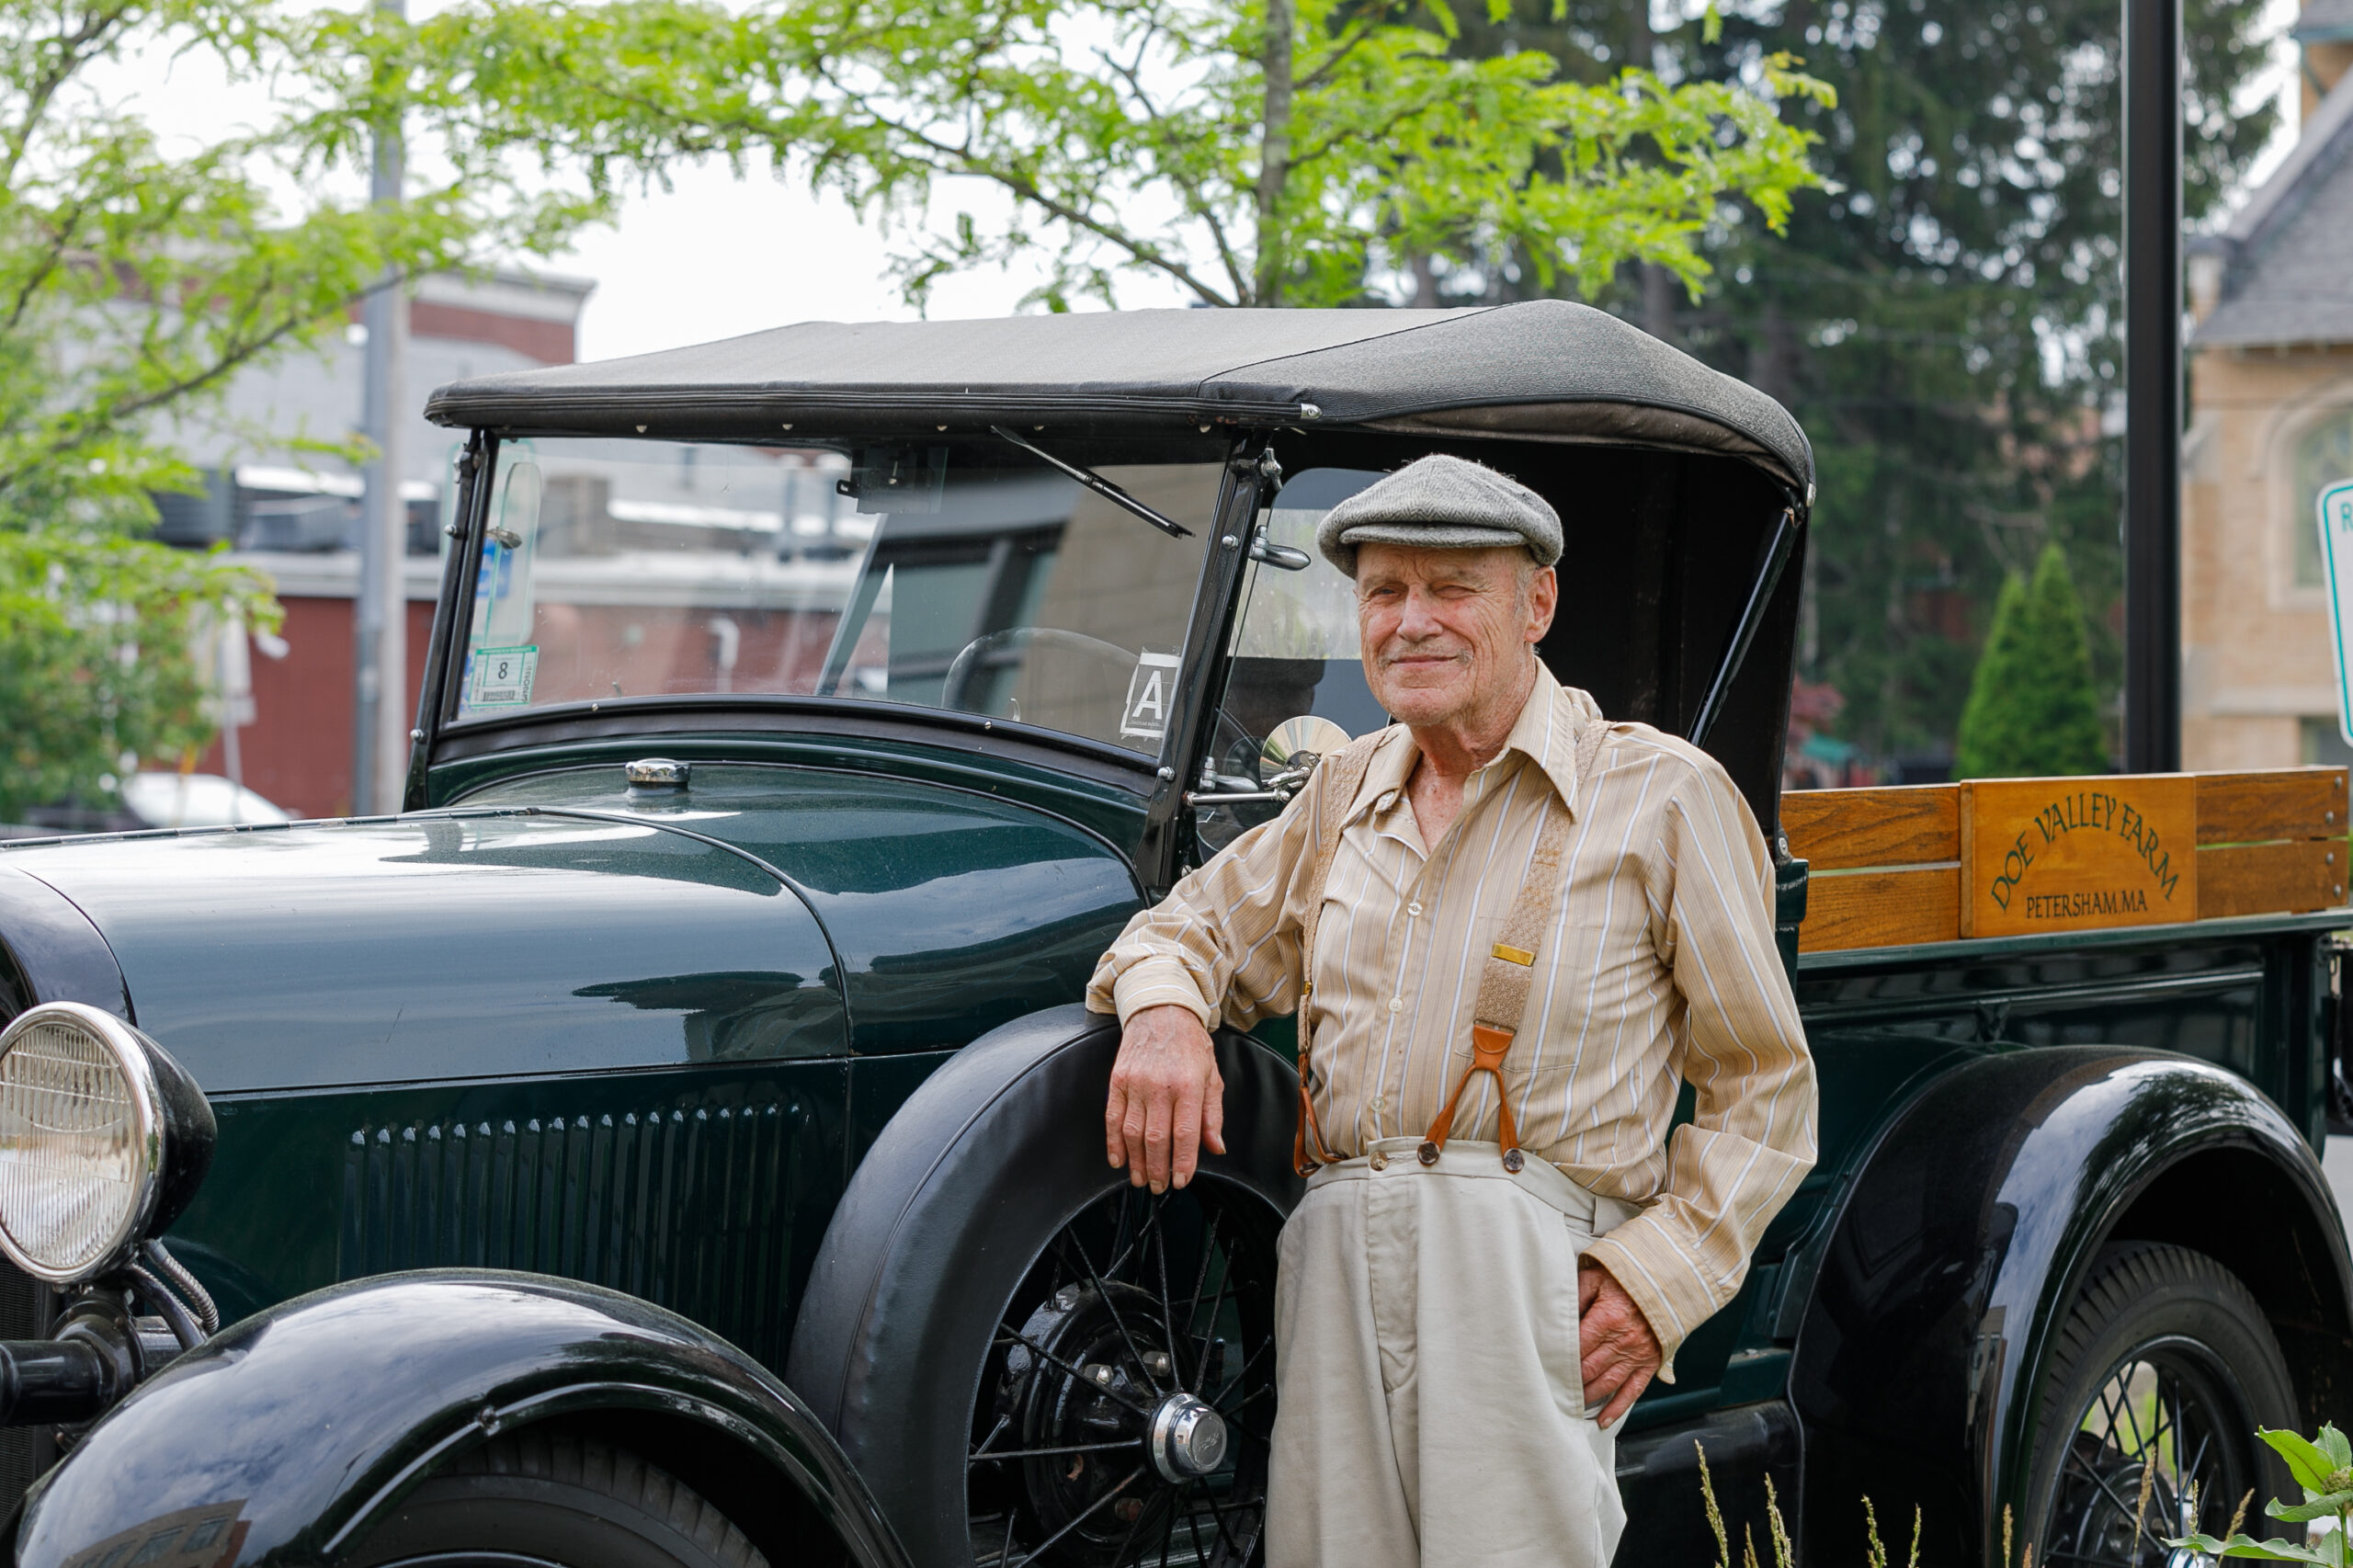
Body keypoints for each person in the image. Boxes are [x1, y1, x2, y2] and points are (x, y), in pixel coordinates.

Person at [1085, 453, 1818, 1568]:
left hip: (1524, 1272)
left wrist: (1654, 1280)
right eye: (1383, 592)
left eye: (1449, 588)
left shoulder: (1662, 795)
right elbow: (1186, 929)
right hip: (1330, 1259)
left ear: (1538, 602)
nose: (1409, 621)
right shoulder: (1342, 791)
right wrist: (1165, 1017)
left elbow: (1764, 1090)